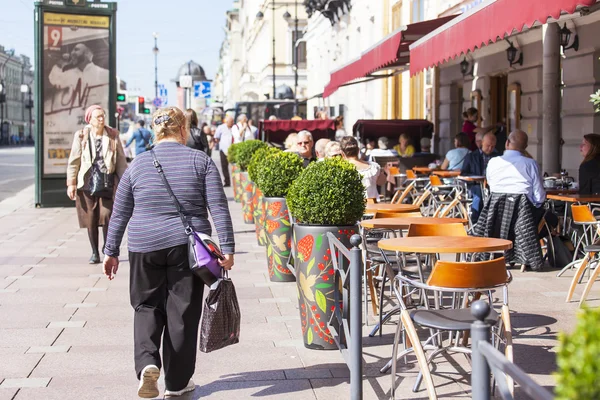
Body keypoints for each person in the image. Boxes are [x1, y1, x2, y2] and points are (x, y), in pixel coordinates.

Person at [102, 106, 235, 399]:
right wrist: (227, 248)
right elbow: (219, 208)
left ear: (155, 130)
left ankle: (148, 362)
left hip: (143, 245)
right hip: (188, 249)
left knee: (146, 306)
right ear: (183, 130)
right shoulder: (201, 161)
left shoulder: (138, 164)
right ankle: (176, 383)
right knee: (183, 313)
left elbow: (120, 212)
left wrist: (110, 250)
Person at [66, 105, 127, 264]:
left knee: (107, 215)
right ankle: (94, 252)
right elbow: (74, 161)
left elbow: (120, 161)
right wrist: (71, 183)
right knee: (91, 219)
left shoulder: (113, 135)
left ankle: (107, 249)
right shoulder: (81, 136)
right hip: (87, 182)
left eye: (102, 116)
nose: (101, 119)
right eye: (97, 117)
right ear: (89, 120)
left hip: (107, 181)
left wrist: (125, 182)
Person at [486, 129, 546, 220]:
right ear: (525, 146)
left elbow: (490, 184)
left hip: (496, 217)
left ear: (507, 143)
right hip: (524, 219)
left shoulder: (492, 162)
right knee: (551, 218)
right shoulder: (531, 164)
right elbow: (539, 197)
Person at [461, 132, 500, 223]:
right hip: (475, 184)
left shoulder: (497, 157)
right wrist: (475, 177)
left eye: (493, 146)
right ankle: (476, 221)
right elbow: (464, 173)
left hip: (492, 184)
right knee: (479, 194)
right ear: (482, 143)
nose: (490, 148)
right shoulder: (471, 156)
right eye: (488, 145)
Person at [214, 115, 235, 187]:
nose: (232, 123)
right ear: (227, 122)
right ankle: (227, 181)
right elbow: (216, 137)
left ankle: (236, 181)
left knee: (234, 166)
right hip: (223, 149)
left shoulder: (234, 128)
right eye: (231, 122)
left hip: (233, 150)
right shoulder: (221, 127)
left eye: (233, 121)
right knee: (224, 166)